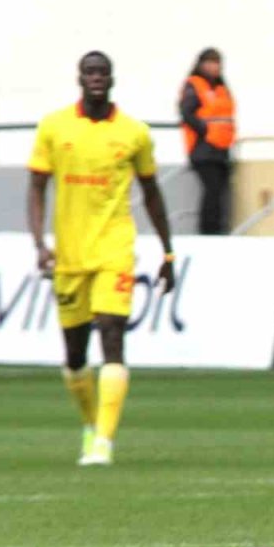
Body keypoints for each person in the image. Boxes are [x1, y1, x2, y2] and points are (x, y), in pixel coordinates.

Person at [27, 51, 176, 466]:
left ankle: (104, 442)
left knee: (112, 334)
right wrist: (40, 243)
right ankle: (92, 424)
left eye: (102, 72)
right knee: (75, 357)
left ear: (112, 79)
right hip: (70, 255)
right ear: (80, 78)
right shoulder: (54, 127)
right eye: (89, 71)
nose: (96, 77)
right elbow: (37, 187)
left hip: (114, 249)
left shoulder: (134, 133)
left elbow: (151, 193)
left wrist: (168, 251)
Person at [179, 48, 235, 235]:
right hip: (203, 149)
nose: (214, 67)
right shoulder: (194, 85)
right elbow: (187, 112)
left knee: (220, 194)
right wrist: (207, 132)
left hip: (222, 149)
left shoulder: (221, 88)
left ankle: (218, 229)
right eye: (210, 62)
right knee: (211, 191)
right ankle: (208, 231)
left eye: (217, 62)